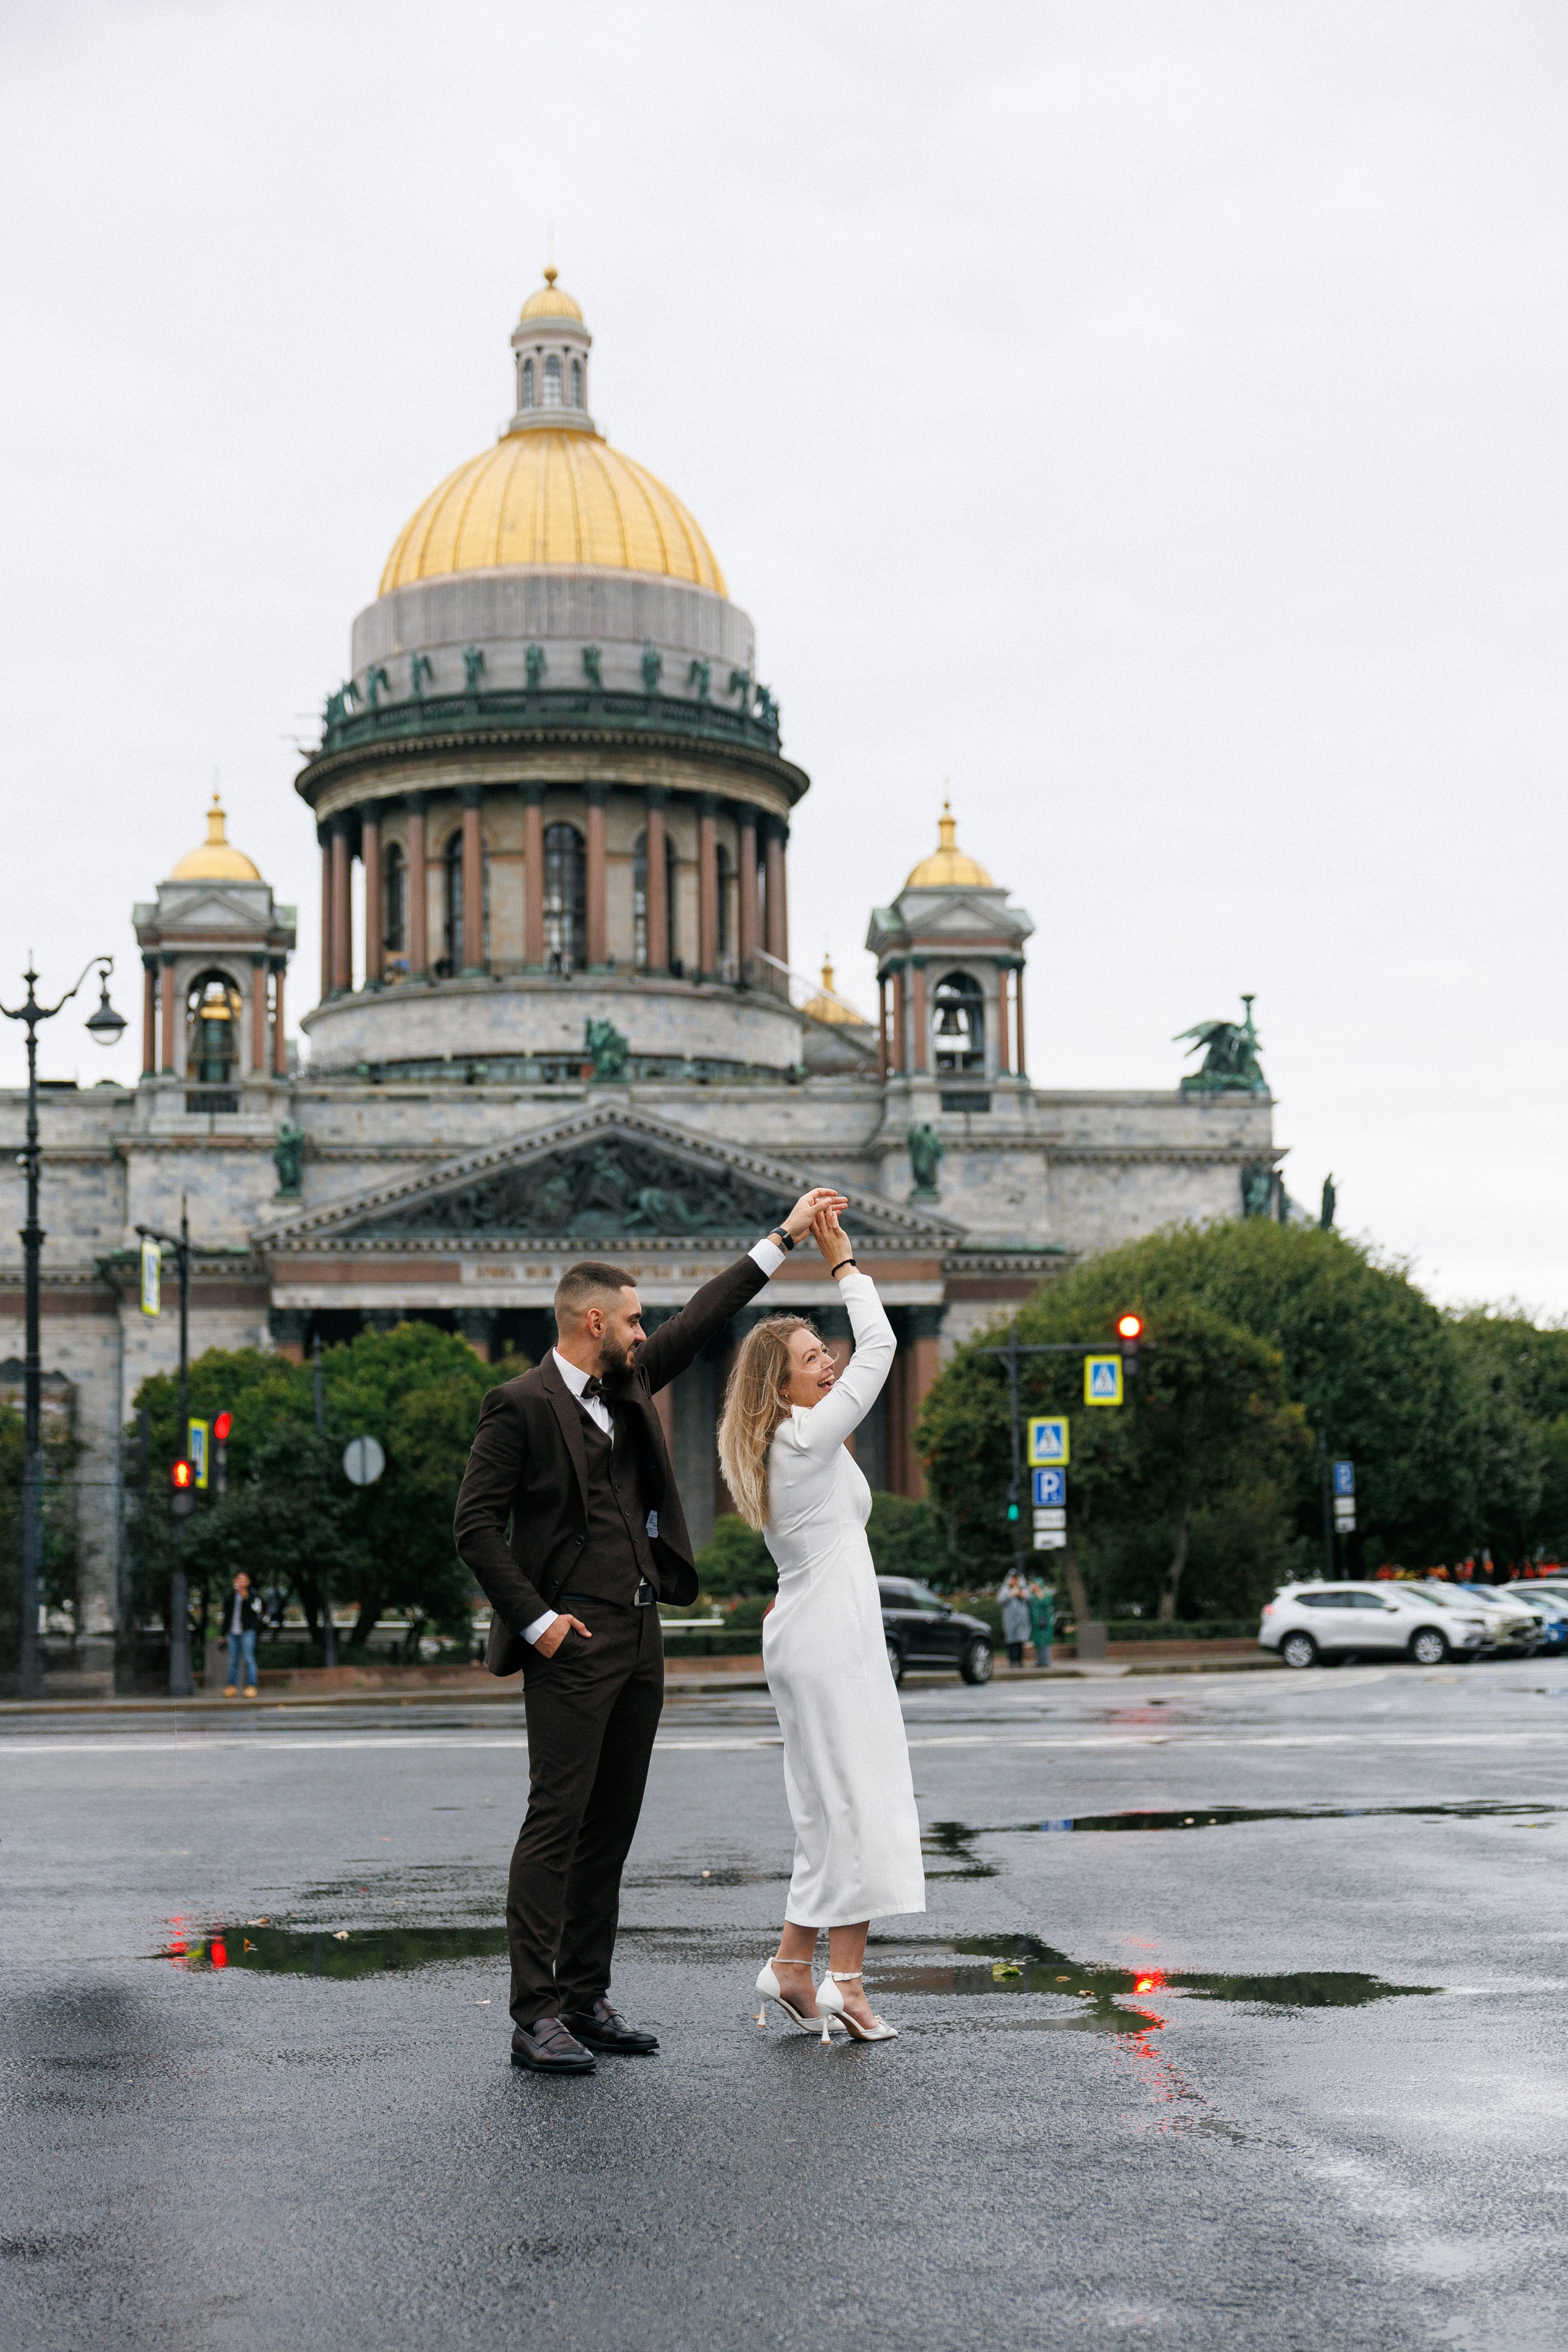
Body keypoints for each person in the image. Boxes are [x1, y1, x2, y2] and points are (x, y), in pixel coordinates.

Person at [454, 1185, 848, 2077]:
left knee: (611, 1827)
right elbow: (473, 1527)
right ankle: (534, 2014)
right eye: (632, 1321)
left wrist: (784, 1238)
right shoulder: (517, 1405)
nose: (644, 1333)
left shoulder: (627, 1386)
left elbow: (707, 1318)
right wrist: (541, 1622)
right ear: (593, 1321)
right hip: (570, 1643)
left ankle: (586, 1998)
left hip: (638, 1638)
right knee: (555, 1823)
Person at [720, 1205, 922, 2045]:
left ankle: (793, 1965)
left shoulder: (783, 1443)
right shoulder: (804, 1436)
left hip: (808, 1630)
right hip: (831, 1638)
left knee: (823, 1807)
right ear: (783, 1385)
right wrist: (844, 1265)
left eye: (823, 1352)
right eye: (812, 1358)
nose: (830, 1361)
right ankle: (847, 1982)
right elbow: (881, 1350)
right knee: (859, 1805)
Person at [222, 1572, 260, 1698]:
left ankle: (251, 1686)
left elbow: (257, 1610)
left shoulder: (253, 1595)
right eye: (239, 1579)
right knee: (233, 1661)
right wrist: (223, 1634)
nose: (241, 1582)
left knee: (249, 1659)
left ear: (248, 1582)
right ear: (235, 1581)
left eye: (244, 1579)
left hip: (247, 1632)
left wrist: (247, 1598)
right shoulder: (230, 1596)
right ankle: (231, 1686)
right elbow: (226, 1616)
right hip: (232, 1633)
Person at [999, 1572, 1031, 1667]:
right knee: (1011, 1641)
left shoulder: (1023, 1589)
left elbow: (1030, 1598)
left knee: (1021, 1641)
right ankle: (1012, 1660)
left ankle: (1020, 1660)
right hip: (1010, 1621)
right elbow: (1000, 1600)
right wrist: (1010, 1595)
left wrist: (1023, 1595)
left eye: (1016, 1579)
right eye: (1013, 1579)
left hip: (1022, 1621)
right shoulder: (1006, 1589)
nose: (1015, 1581)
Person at [1028, 1577, 1055, 1668]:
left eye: (1035, 1584)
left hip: (1044, 1623)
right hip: (1036, 1623)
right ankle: (1039, 1661)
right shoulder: (1033, 1595)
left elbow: (1047, 1606)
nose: (1033, 1586)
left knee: (1044, 1642)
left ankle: (1045, 1661)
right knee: (1037, 1642)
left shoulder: (1045, 1595)